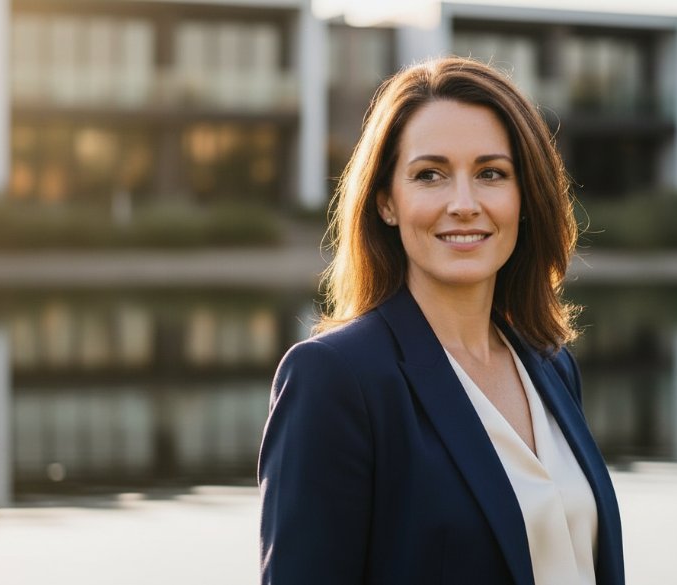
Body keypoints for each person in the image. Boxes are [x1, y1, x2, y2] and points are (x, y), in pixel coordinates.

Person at [258, 56, 624, 585]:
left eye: (491, 174)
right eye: (429, 175)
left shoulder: (552, 366)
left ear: (524, 198)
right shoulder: (335, 380)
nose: (463, 203)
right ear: (387, 201)